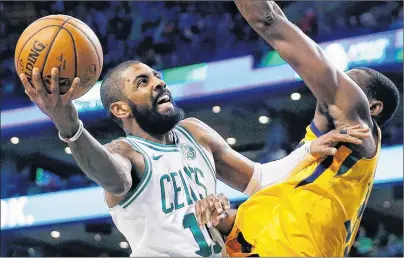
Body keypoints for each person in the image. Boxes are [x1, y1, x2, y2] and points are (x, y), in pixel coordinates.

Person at [20, 62, 368, 255]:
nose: (158, 82)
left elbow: (258, 180)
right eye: (143, 81)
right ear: (120, 108)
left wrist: (308, 151)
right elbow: (113, 178)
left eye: (157, 75)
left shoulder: (194, 132)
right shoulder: (125, 153)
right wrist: (70, 126)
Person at [193, 1, 401, 257]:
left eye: (349, 81)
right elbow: (258, 212)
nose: (329, 81)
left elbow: (270, 21)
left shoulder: (358, 131)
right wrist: (220, 216)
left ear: (372, 108)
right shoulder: (309, 158)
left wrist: (269, 18)